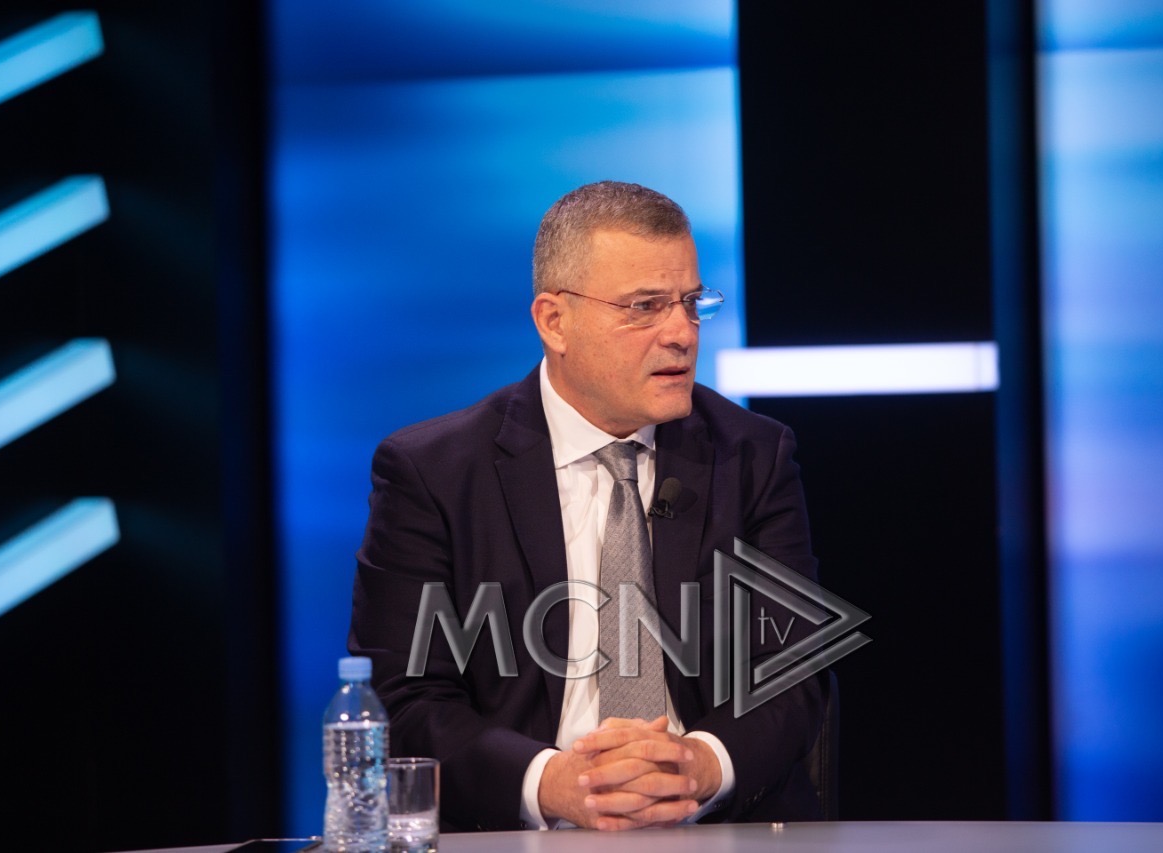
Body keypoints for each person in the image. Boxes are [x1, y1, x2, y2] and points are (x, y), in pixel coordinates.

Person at [348, 181, 826, 832]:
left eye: (691, 303)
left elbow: (794, 674)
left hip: (715, 828)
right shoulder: (432, 473)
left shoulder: (752, 455)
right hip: (524, 832)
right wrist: (554, 783)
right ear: (554, 321)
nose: (681, 333)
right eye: (645, 306)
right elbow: (403, 698)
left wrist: (698, 765)